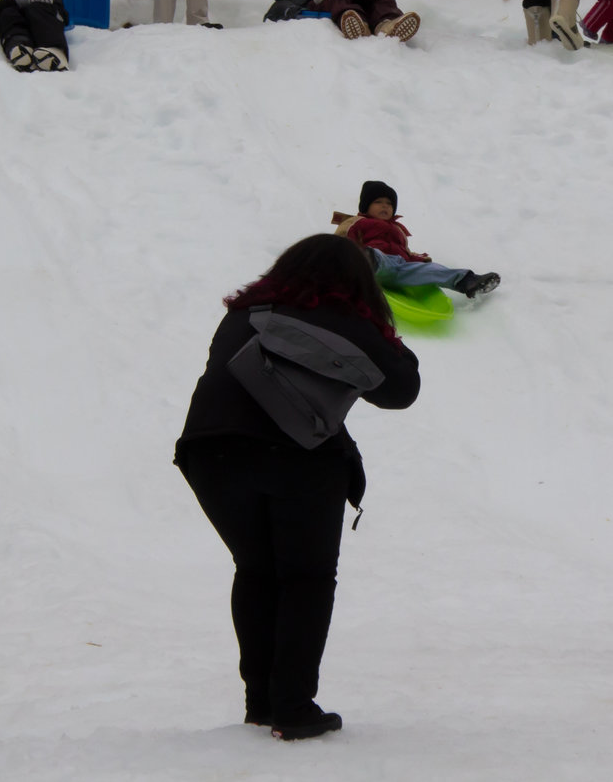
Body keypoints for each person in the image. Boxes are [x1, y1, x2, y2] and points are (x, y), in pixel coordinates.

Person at [176, 234, 421, 740]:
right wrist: (385, 331)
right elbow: (401, 390)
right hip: (299, 460)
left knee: (258, 570)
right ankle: (292, 705)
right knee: (305, 579)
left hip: (209, 453)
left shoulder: (247, 311)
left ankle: (261, 702)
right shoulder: (350, 321)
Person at [335, 181, 500, 299]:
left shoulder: (398, 229)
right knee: (378, 256)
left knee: (432, 269)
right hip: (370, 267)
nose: (385, 206)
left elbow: (405, 253)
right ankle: (368, 259)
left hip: (399, 269)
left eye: (389, 203)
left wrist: (420, 260)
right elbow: (341, 243)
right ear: (365, 207)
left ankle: (468, 282)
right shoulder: (357, 222)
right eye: (378, 202)